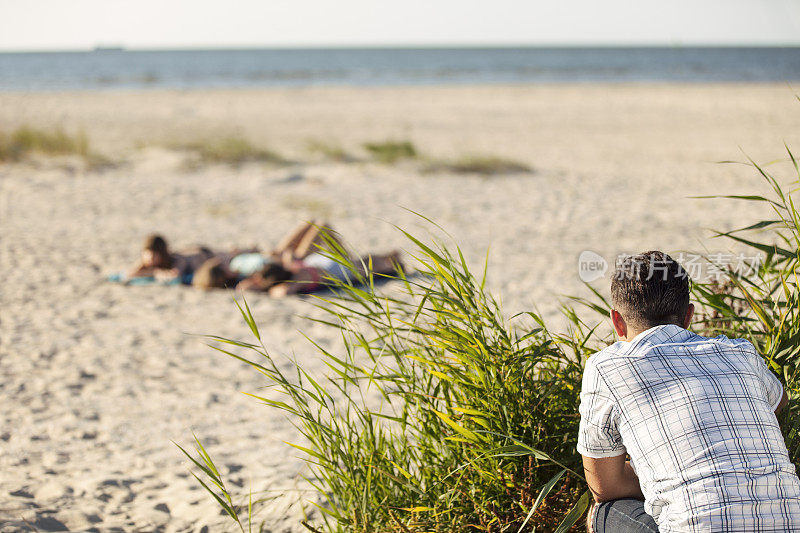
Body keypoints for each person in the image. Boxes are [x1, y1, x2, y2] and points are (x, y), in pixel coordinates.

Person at [578, 251, 800, 532]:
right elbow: (780, 402)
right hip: (791, 523)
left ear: (617, 321)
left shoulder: (606, 367)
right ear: (689, 317)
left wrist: (653, 470)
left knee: (604, 512)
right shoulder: (740, 352)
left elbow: (605, 487)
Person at [127, 234, 214, 283]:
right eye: (148, 254)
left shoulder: (177, 259)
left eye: (154, 255)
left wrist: (155, 272)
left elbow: (175, 275)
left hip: (205, 256)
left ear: (162, 255)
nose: (150, 258)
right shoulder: (145, 261)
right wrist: (154, 272)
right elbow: (131, 273)